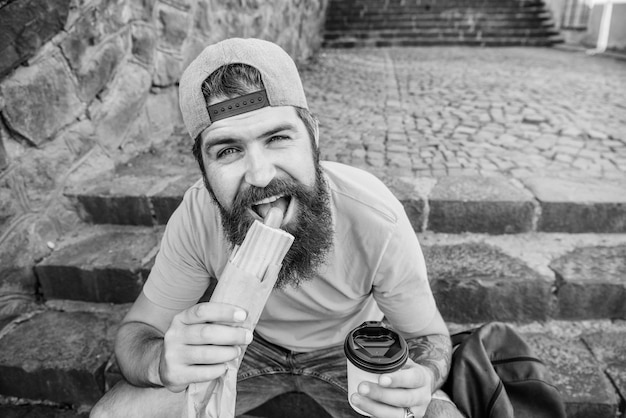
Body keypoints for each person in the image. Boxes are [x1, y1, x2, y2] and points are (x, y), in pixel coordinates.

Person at [91, 38, 463, 418]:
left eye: (278, 138)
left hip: (350, 353)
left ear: (314, 137)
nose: (260, 174)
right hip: (243, 348)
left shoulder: (375, 217)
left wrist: (423, 377)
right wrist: (160, 362)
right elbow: (136, 334)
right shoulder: (197, 217)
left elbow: (428, 337)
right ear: (203, 171)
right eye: (227, 150)